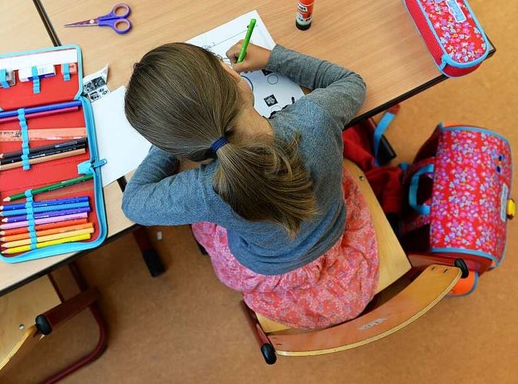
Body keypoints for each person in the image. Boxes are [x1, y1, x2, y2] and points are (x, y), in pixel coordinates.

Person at [122, 41, 379, 330]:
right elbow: (351, 82)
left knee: (204, 225)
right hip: (331, 230)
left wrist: (177, 135)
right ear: (233, 77)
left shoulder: (203, 191)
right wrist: (274, 58)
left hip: (269, 268)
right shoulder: (315, 118)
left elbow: (133, 204)